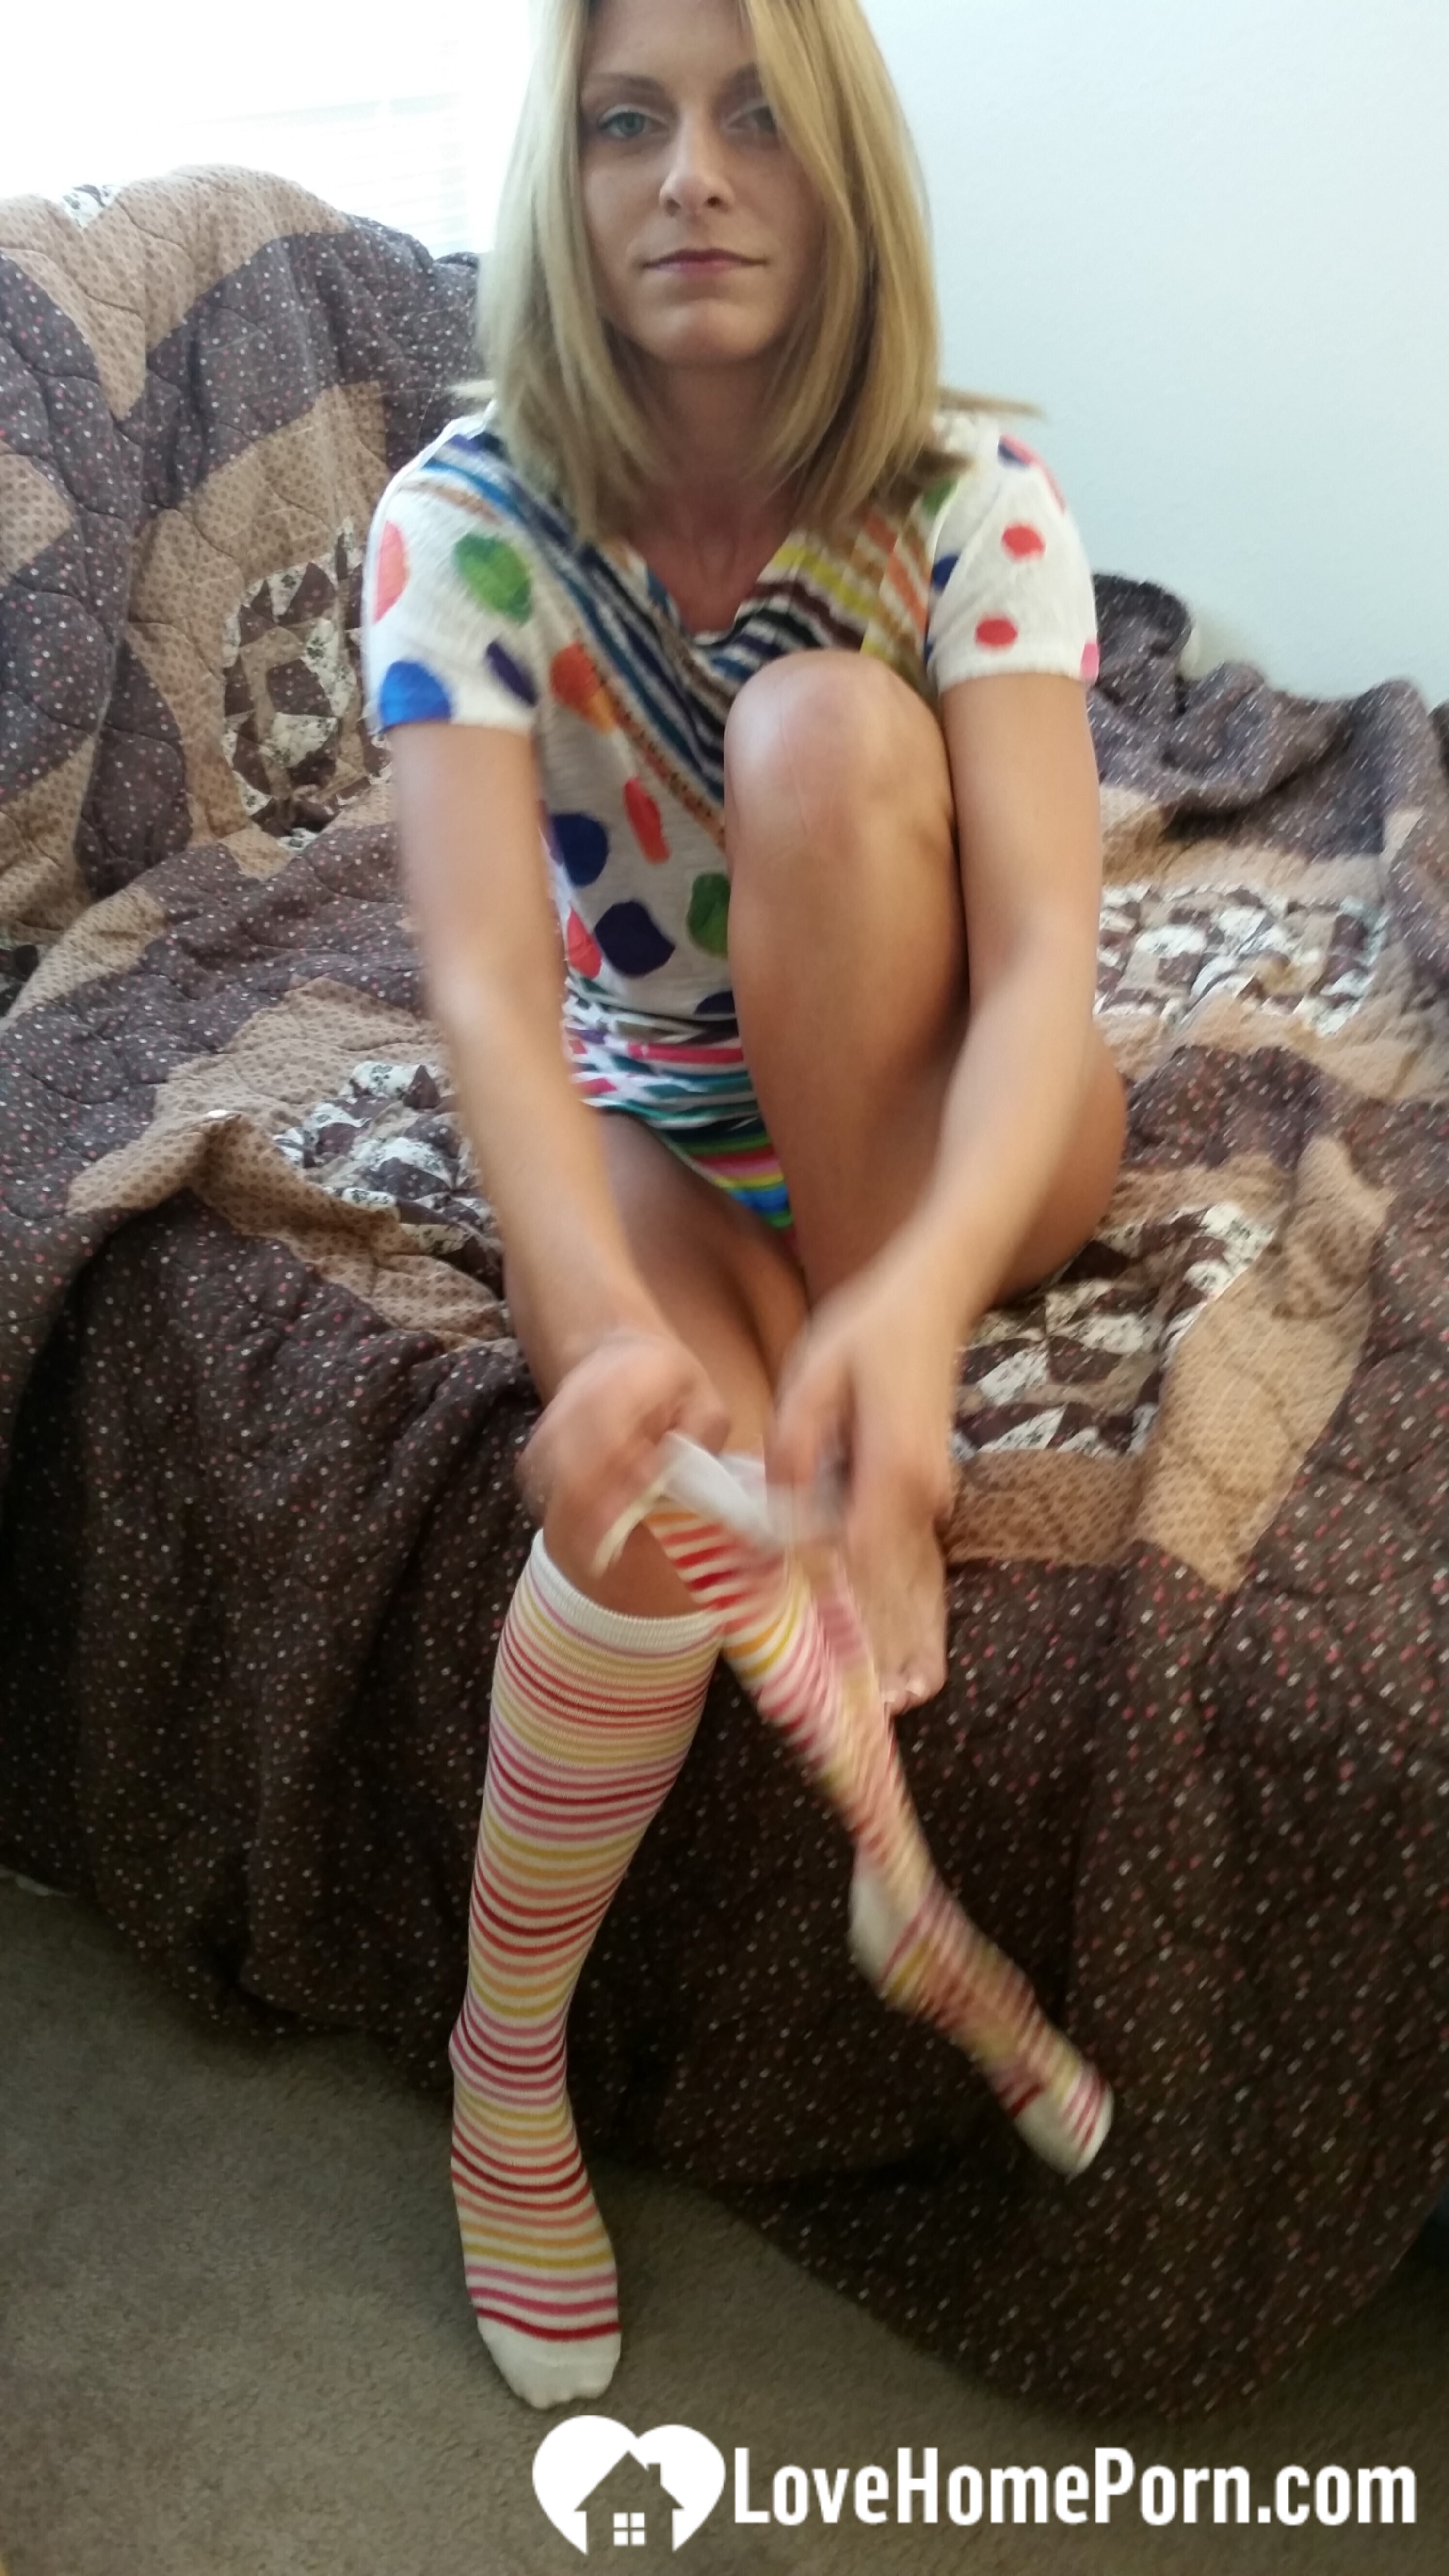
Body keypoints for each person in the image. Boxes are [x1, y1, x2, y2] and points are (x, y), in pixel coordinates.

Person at [362, 0, 1126, 2410]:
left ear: (842, 169)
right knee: (643, 1478)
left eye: (757, 114)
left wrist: (911, 1306)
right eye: (628, 120)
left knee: (815, 729)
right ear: (562, 181)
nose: (691, 171)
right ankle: (506, 2063)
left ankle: (863, 1389)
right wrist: (593, 1315)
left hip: (964, 1099)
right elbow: (488, 993)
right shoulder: (457, 525)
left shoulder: (977, 494)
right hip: (667, 1108)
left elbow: (1048, 968)